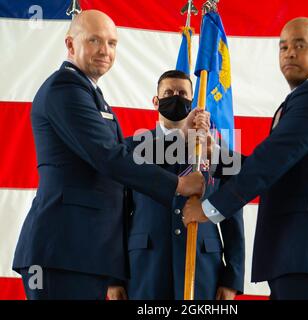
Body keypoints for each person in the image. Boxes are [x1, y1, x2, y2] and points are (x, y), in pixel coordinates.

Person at [12, 10, 204, 300]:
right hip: (62, 251)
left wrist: (179, 137)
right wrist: (176, 185)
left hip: (80, 252)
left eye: (112, 43)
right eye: (94, 41)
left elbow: (119, 149)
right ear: (70, 44)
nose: (105, 51)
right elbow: (107, 157)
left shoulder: (87, 91)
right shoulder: (66, 89)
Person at [182, 17, 308, 300]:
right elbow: (280, 169)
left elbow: (269, 163)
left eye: (300, 45)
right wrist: (214, 156)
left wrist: (209, 209)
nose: (289, 52)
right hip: (301, 256)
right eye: (283, 47)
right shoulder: (305, 97)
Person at [107, 70, 245, 300]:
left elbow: (232, 212)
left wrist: (232, 277)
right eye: (168, 92)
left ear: (193, 102)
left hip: (203, 268)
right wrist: (113, 277)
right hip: (145, 266)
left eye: (182, 93)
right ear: (155, 100)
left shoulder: (215, 150)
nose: (176, 97)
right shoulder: (131, 148)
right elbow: (116, 215)